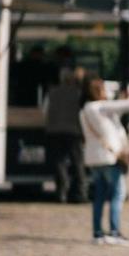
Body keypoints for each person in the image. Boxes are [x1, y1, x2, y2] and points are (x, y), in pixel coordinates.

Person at [80, 70, 129, 245]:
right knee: (118, 193)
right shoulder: (100, 106)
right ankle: (115, 232)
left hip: (94, 159)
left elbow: (112, 121)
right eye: (103, 90)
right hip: (109, 158)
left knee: (99, 195)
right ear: (97, 92)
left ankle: (98, 233)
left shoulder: (85, 110)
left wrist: (119, 101)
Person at [46, 67, 87, 203]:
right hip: (74, 130)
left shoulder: (52, 92)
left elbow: (45, 110)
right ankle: (80, 193)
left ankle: (62, 192)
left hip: (55, 130)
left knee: (59, 162)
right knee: (77, 163)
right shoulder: (78, 93)